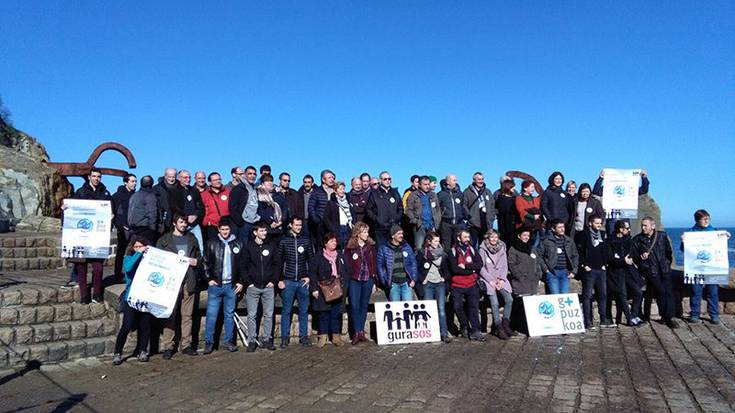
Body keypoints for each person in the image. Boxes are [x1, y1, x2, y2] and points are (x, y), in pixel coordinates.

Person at [156, 214, 202, 359]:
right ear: (174, 223)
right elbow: (158, 260)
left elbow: (200, 258)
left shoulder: (192, 239)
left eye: (185, 223)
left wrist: (197, 262)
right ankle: (168, 346)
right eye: (181, 222)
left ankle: (186, 345)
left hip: (189, 280)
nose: (184, 225)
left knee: (187, 315)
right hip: (171, 282)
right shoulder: (164, 240)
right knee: (170, 314)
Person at [68, 168, 112, 304]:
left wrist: (111, 216)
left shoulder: (105, 193)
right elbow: (72, 209)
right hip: (81, 237)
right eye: (94, 176)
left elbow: (111, 209)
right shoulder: (80, 192)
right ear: (89, 177)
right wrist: (67, 208)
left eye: (99, 177)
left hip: (97, 238)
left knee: (98, 269)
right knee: (81, 270)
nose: (96, 179)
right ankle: (83, 296)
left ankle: (97, 294)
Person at [681, 209, 731, 324]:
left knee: (713, 291)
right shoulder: (690, 233)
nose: (707, 220)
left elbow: (720, 248)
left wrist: (725, 238)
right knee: (695, 291)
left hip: (712, 267)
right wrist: (684, 242)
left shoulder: (714, 231)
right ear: (697, 220)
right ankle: (695, 314)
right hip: (696, 268)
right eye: (704, 219)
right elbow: (684, 250)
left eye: (708, 218)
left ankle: (714, 314)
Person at [202, 217, 243, 354]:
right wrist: (208, 279)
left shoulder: (237, 244)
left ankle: (229, 341)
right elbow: (205, 262)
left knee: (229, 315)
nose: (225, 232)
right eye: (222, 229)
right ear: (219, 230)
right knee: (211, 315)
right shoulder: (211, 243)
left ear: (230, 230)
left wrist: (241, 281)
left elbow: (243, 266)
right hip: (216, 285)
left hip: (231, 285)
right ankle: (209, 342)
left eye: (227, 229)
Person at [631, 216, 679, 329]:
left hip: (664, 269)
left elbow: (668, 252)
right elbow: (634, 256)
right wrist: (641, 259)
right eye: (642, 225)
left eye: (645, 225)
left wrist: (667, 263)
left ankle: (668, 317)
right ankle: (667, 317)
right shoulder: (637, 239)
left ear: (653, 226)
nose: (643, 228)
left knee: (668, 292)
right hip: (650, 271)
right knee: (661, 291)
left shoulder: (662, 236)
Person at [112, 235, 152, 365]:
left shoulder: (148, 260)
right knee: (127, 325)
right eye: (136, 247)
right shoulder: (129, 258)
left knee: (145, 325)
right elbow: (128, 269)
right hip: (131, 297)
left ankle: (142, 350)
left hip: (145, 296)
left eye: (141, 246)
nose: (138, 248)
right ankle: (118, 352)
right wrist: (138, 254)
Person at [276, 216, 314, 348]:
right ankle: (284, 338)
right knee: (287, 310)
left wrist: (309, 276)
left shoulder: (306, 241)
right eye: (296, 225)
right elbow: (279, 262)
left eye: (300, 225)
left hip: (303, 282)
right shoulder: (284, 241)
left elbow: (311, 260)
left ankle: (303, 337)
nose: (298, 227)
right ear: (291, 225)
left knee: (304, 310)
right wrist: (280, 279)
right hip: (289, 281)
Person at [242, 222, 279, 351]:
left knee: (269, 314)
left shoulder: (271, 246)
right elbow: (243, 267)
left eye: (265, 231)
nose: (264, 233)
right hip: (253, 287)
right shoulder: (248, 247)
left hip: (268, 286)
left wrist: (273, 280)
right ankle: (252, 340)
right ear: (255, 232)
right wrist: (249, 283)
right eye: (262, 231)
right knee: (252, 315)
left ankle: (267, 339)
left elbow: (276, 265)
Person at [310, 232, 350, 348]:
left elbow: (347, 271)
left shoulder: (340, 256)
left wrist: (344, 285)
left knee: (336, 314)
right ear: (325, 243)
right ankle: (322, 336)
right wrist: (314, 289)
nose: (334, 243)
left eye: (335, 241)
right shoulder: (318, 257)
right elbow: (312, 273)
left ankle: (336, 337)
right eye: (331, 241)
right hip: (323, 289)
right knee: (323, 313)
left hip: (338, 289)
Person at [447, 229, 486, 341]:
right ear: (459, 238)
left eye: (468, 237)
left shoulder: (472, 249)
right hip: (457, 285)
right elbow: (455, 269)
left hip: (471, 284)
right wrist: (471, 270)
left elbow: (480, 264)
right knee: (457, 307)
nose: (467, 239)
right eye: (465, 237)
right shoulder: (452, 251)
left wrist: (466, 266)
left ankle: (475, 331)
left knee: (474, 307)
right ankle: (464, 325)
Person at [576, 215, 613, 329]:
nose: (598, 225)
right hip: (589, 270)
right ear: (590, 223)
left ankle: (603, 320)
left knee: (602, 294)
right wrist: (584, 265)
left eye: (600, 223)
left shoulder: (602, 235)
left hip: (600, 269)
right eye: (596, 223)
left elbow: (605, 250)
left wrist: (604, 264)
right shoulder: (583, 235)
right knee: (587, 296)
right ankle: (588, 322)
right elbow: (579, 251)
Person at [344, 222, 377, 345]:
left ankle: (361, 332)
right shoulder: (350, 247)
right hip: (355, 279)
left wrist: (374, 281)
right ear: (358, 233)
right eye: (364, 232)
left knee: (364, 306)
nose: (366, 234)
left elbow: (374, 263)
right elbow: (347, 265)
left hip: (368, 279)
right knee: (354, 306)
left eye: (367, 232)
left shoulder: (371, 246)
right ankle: (356, 332)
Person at [607, 220, 645, 327]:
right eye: (627, 228)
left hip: (629, 272)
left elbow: (633, 254)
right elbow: (609, 259)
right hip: (616, 273)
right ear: (620, 229)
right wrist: (622, 261)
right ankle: (629, 319)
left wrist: (640, 255)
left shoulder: (628, 240)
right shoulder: (610, 241)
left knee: (638, 292)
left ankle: (633, 315)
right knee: (622, 295)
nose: (629, 230)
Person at [478, 230, 514, 340]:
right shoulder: (482, 249)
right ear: (487, 238)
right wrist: (490, 280)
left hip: (500, 278)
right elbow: (481, 267)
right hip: (488, 279)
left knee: (509, 299)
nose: (494, 239)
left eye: (495, 237)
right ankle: (498, 327)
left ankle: (506, 324)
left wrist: (502, 279)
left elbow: (504, 265)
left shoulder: (502, 248)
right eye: (491, 237)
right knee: (494, 302)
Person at [416, 232, 451, 343]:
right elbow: (418, 268)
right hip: (428, 284)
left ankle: (444, 333)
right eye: (435, 241)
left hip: (439, 284)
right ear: (429, 241)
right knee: (428, 310)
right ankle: (429, 334)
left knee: (441, 310)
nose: (437, 243)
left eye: (438, 241)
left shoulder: (443, 254)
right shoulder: (422, 253)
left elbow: (447, 270)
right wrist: (423, 279)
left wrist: (444, 278)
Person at [507, 228, 543, 335]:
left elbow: (537, 262)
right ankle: (519, 327)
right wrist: (519, 276)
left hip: (532, 281)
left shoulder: (532, 248)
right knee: (520, 306)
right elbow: (512, 265)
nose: (526, 237)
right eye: (524, 235)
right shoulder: (513, 249)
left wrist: (539, 274)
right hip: (521, 282)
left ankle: (530, 327)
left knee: (531, 306)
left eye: (528, 235)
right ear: (519, 236)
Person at [593, 169, 649, 235]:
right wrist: (601, 178)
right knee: (611, 240)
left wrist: (644, 178)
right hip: (612, 217)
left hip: (625, 216)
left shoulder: (630, 188)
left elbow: (644, 190)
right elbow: (596, 191)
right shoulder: (608, 188)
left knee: (625, 239)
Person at [377, 226, 417, 301]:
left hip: (406, 283)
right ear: (392, 236)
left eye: (402, 233)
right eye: (399, 234)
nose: (401, 235)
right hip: (393, 283)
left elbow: (413, 263)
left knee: (408, 308)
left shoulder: (407, 247)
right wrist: (386, 282)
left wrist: (413, 279)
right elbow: (380, 267)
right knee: (396, 309)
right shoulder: (384, 248)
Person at [539, 219, 579, 294]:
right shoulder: (546, 241)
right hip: (552, 272)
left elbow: (575, 256)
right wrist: (546, 269)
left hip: (565, 272)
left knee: (564, 296)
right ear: (553, 229)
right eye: (559, 227)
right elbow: (540, 256)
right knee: (555, 296)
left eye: (563, 227)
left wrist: (574, 271)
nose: (562, 229)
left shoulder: (569, 241)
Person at [170, 170, 205, 253]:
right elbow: (174, 207)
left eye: (189, 177)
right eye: (185, 177)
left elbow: (201, 207)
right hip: (182, 224)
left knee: (200, 248)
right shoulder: (174, 191)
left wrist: (196, 216)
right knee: (182, 249)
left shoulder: (194, 191)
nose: (188, 179)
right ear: (179, 178)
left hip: (195, 224)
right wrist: (186, 217)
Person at [366, 171, 403, 247]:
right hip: (380, 228)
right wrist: (377, 219)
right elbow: (368, 209)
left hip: (394, 227)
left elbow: (400, 207)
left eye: (389, 179)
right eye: (385, 179)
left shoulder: (395, 193)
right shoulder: (374, 193)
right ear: (380, 180)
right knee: (382, 251)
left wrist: (397, 218)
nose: (387, 181)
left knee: (394, 251)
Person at [404, 175, 442, 252]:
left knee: (432, 247)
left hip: (431, 225)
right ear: (420, 185)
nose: (427, 186)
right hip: (420, 225)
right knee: (419, 247)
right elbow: (408, 210)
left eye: (428, 184)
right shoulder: (413, 195)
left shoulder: (433, 195)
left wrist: (436, 223)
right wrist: (415, 220)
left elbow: (438, 210)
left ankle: (430, 264)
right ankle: (418, 263)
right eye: (425, 184)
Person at [111, 173, 136, 282]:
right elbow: (115, 212)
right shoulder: (117, 195)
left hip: (134, 228)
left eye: (135, 181)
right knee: (121, 252)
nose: (134, 183)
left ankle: (132, 273)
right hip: (123, 229)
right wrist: (121, 225)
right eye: (132, 181)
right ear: (125, 182)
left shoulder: (136, 195)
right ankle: (117, 275)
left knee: (134, 251)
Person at [463, 172, 496, 249]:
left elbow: (492, 205)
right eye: (479, 179)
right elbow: (464, 205)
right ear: (474, 180)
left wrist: (492, 217)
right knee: (472, 245)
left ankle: (483, 260)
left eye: (482, 179)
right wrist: (469, 217)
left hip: (486, 222)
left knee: (484, 245)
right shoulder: (467, 192)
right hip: (473, 224)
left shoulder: (487, 191)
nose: (481, 181)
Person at [229, 165, 260, 242]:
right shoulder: (238, 189)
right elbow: (233, 207)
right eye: (250, 173)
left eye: (254, 174)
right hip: (243, 224)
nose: (252, 176)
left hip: (254, 223)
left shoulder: (256, 189)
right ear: (244, 175)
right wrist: (240, 222)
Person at [437, 174, 466, 252]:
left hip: (458, 223)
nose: (455, 182)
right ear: (447, 182)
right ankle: (446, 262)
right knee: (446, 246)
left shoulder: (460, 194)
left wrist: (466, 216)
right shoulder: (441, 194)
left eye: (456, 180)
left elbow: (463, 206)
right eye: (454, 180)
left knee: (459, 245)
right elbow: (437, 209)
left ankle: (459, 262)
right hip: (446, 223)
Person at [127, 175, 159, 243]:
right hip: (145, 230)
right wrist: (153, 231)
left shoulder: (134, 196)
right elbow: (152, 214)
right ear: (152, 184)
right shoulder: (150, 196)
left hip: (133, 230)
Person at [308, 169, 336, 246]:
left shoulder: (335, 191)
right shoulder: (316, 192)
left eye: (333, 178)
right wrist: (317, 221)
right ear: (323, 179)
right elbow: (311, 207)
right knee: (321, 246)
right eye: (329, 178)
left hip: (333, 224)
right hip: (321, 225)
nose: (332, 180)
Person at [256, 174, 286, 243]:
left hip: (279, 227)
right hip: (267, 227)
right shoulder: (259, 194)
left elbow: (284, 208)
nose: (270, 183)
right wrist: (270, 221)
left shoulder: (279, 194)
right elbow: (260, 210)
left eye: (271, 181)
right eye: (267, 181)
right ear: (262, 183)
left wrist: (281, 221)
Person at [201, 172, 231, 242]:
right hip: (212, 225)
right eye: (215, 180)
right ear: (209, 183)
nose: (218, 181)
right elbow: (203, 209)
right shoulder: (204, 194)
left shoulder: (228, 191)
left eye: (219, 179)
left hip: (227, 225)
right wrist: (206, 221)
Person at [322, 181, 354, 248]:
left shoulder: (349, 202)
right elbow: (326, 218)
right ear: (335, 191)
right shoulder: (331, 203)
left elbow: (353, 214)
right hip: (338, 229)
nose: (342, 191)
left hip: (348, 228)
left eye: (343, 189)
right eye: (340, 189)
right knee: (339, 249)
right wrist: (333, 229)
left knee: (348, 249)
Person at [515, 180, 542, 245]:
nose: (533, 189)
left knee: (535, 243)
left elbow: (539, 209)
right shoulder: (519, 198)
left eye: (534, 187)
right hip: (525, 225)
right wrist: (532, 216)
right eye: (531, 187)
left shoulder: (536, 199)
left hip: (535, 226)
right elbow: (521, 210)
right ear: (525, 188)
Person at [153, 167, 177, 236]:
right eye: (169, 177)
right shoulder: (157, 188)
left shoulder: (180, 187)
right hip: (163, 220)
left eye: (173, 177)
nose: (172, 179)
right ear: (165, 176)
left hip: (177, 219)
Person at [495, 179, 517, 245]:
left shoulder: (515, 199)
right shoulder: (501, 199)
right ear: (508, 187)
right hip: (504, 225)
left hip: (512, 225)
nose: (514, 189)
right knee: (504, 242)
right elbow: (502, 211)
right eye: (512, 187)